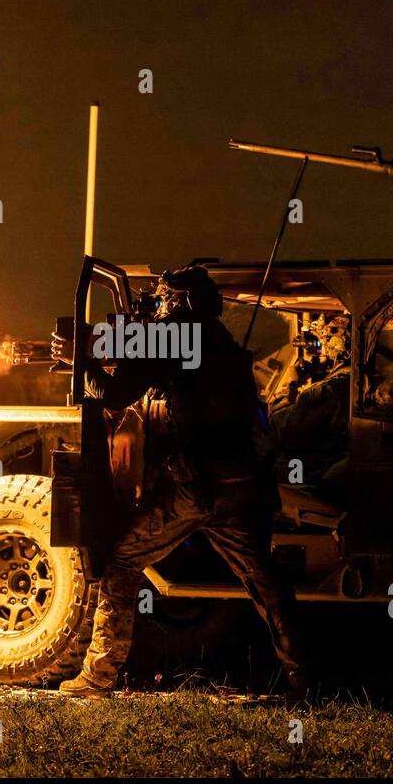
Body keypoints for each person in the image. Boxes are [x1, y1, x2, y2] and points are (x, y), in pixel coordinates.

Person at [52, 266, 308, 699]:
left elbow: (113, 395)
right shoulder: (220, 340)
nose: (158, 308)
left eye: (164, 300)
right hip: (244, 482)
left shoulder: (175, 333)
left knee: (122, 562)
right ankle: (306, 682)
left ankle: (98, 676)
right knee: (267, 585)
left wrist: (84, 360)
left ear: (182, 304)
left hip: (198, 486)